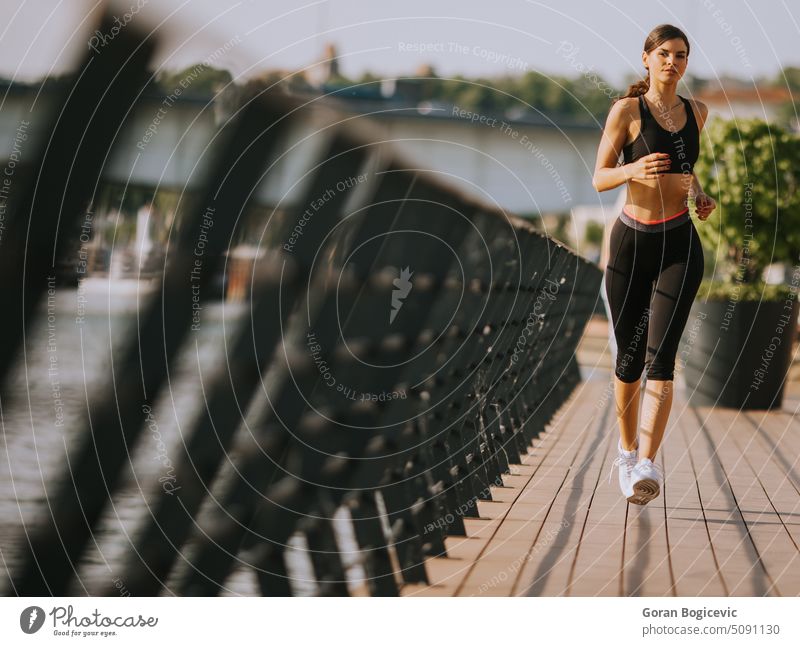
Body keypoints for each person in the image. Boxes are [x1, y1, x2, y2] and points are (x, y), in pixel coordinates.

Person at [592, 24, 716, 505]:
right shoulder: (627, 111)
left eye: (681, 55)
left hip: (679, 244)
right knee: (628, 360)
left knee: (661, 358)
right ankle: (626, 453)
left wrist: (699, 196)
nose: (672, 62)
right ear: (646, 59)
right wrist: (631, 169)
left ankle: (647, 462)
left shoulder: (697, 113)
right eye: (663, 54)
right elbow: (599, 177)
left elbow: (686, 169)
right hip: (630, 245)